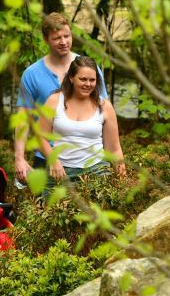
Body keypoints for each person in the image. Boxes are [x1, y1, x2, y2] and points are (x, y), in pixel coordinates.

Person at [14, 12, 109, 184]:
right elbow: (22, 119)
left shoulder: (89, 69)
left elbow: (104, 114)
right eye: (57, 38)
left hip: (89, 160)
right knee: (49, 209)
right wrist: (19, 157)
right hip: (46, 157)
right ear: (46, 39)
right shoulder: (32, 74)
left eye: (67, 36)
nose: (64, 42)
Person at [38, 55, 126, 186]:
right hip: (60, 171)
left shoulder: (105, 106)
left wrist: (121, 176)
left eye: (92, 80)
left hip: (97, 171)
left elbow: (113, 148)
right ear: (71, 78)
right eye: (83, 79)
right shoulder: (54, 101)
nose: (88, 84)